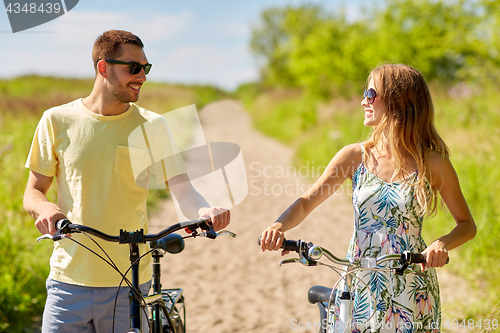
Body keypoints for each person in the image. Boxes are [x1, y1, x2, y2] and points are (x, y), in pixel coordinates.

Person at [23, 30, 230, 332]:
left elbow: (182, 188)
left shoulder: (153, 126)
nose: (142, 76)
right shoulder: (56, 120)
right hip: (68, 281)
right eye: (133, 67)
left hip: (130, 282)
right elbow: (33, 192)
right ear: (103, 68)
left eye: (145, 68)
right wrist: (45, 210)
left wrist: (204, 211)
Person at [260, 64, 476, 332]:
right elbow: (306, 201)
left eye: (371, 93)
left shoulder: (433, 163)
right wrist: (278, 226)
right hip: (359, 280)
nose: (363, 100)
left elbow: (467, 224)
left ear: (400, 100)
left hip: (411, 284)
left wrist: (441, 244)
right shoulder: (354, 156)